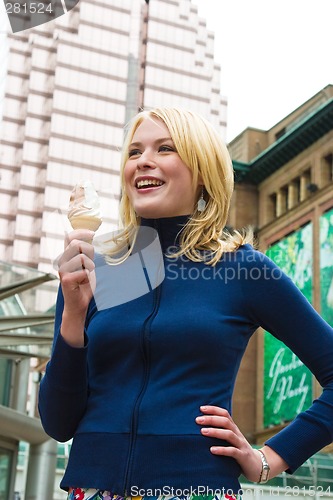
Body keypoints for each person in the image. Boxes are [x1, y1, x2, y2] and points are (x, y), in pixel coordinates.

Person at [38, 107, 333, 500]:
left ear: (201, 170)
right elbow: (58, 423)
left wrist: (269, 459)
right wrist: (73, 317)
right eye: (134, 152)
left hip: (194, 488)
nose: (143, 160)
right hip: (92, 488)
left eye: (165, 149)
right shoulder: (92, 270)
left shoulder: (243, 269)